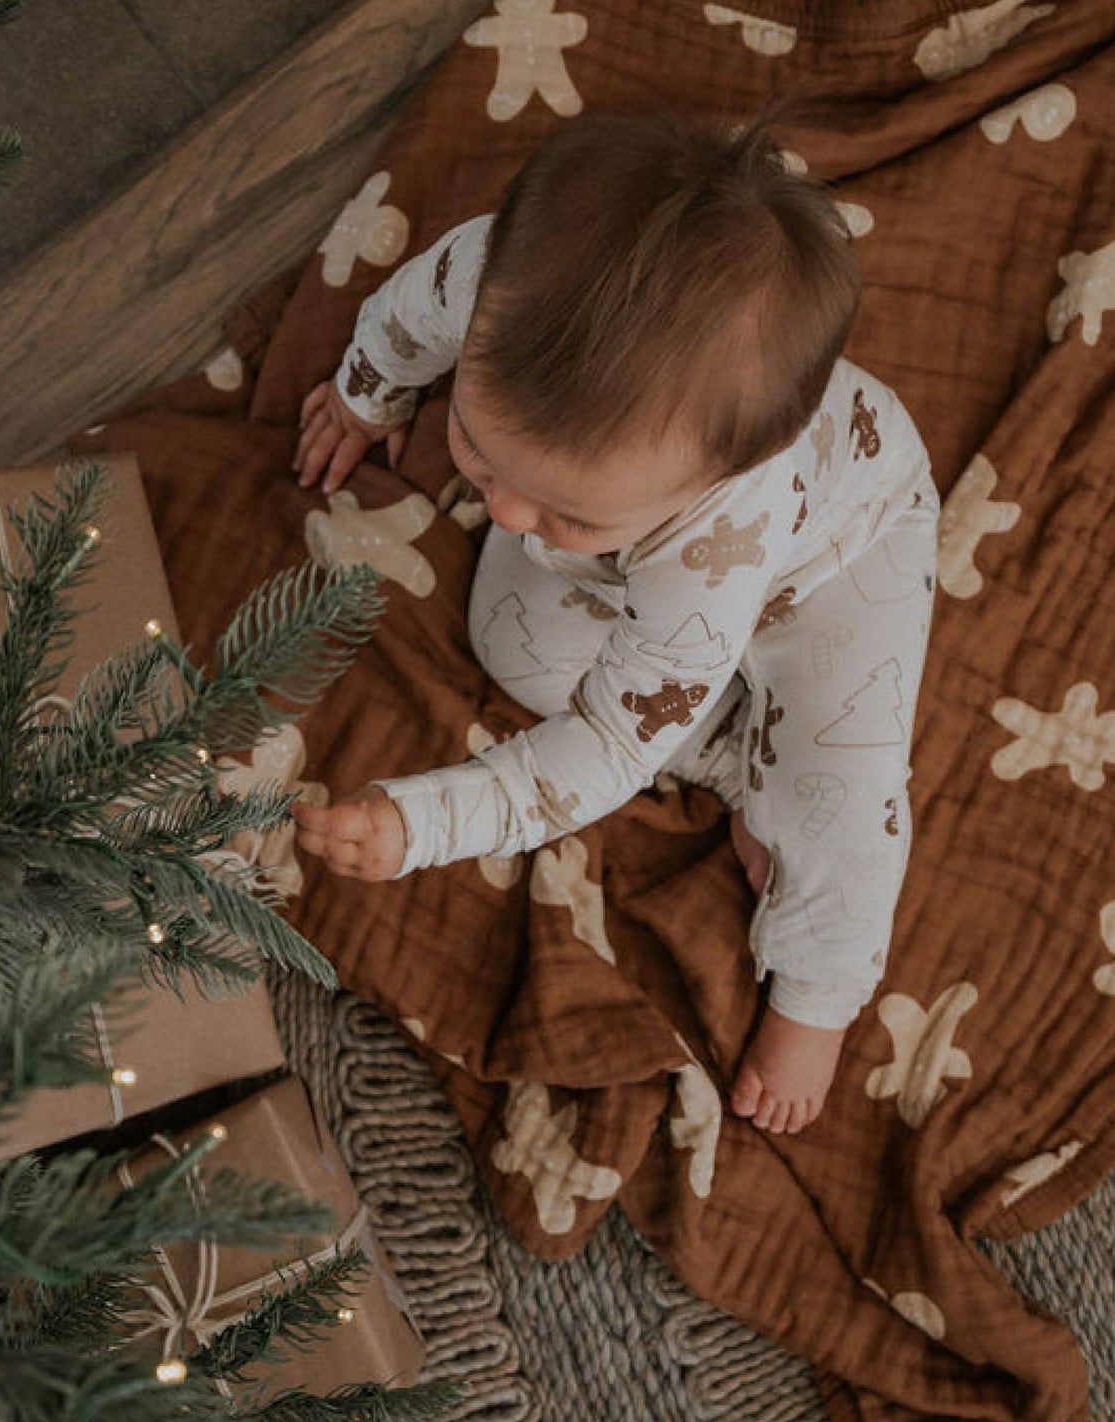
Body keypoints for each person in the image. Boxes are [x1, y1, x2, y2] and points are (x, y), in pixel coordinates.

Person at [289, 109, 938, 1136]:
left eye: (561, 505)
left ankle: (819, 986)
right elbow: (404, 323)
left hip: (836, 561)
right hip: (642, 578)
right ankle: (728, 756)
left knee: (843, 790)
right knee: (511, 642)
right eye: (473, 443)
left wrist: (426, 820)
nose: (501, 513)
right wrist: (368, 395)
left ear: (712, 477)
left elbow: (597, 747)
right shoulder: (490, 276)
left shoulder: (718, 534)